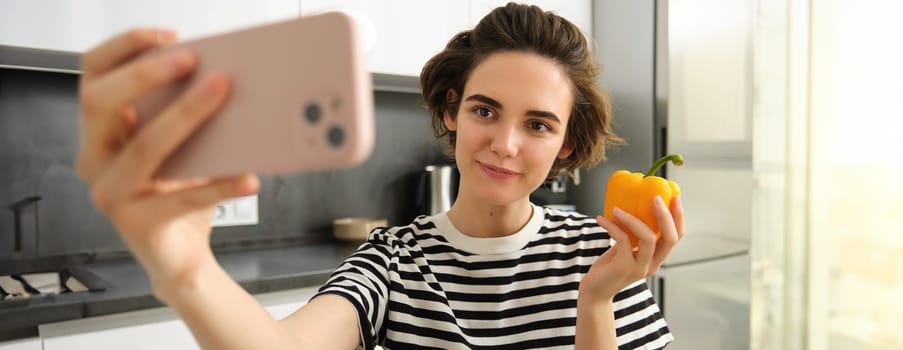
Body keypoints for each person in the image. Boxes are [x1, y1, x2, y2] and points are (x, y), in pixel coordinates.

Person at [77, 2, 684, 349]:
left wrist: (596, 303)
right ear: (452, 110)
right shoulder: (391, 261)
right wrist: (184, 271)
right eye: (484, 110)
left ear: (566, 144)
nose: (503, 144)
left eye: (538, 124)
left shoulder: (600, 256)